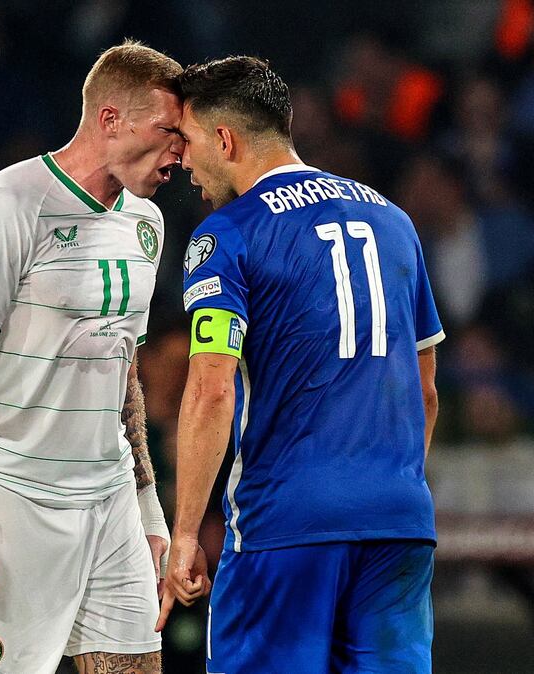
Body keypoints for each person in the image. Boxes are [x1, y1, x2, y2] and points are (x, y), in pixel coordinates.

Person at [156, 57, 444, 674]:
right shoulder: (395, 221)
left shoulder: (225, 236)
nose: (182, 163)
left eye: (187, 141)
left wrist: (184, 533)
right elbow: (425, 389)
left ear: (226, 140)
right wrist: (389, 491)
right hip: (399, 521)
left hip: (286, 524)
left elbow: (212, 389)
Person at [0, 41, 183, 674]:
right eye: (168, 131)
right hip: (14, 501)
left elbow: (122, 372)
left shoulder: (145, 226)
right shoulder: (9, 205)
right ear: (111, 119)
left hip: (110, 498)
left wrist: (148, 507)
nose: (181, 150)